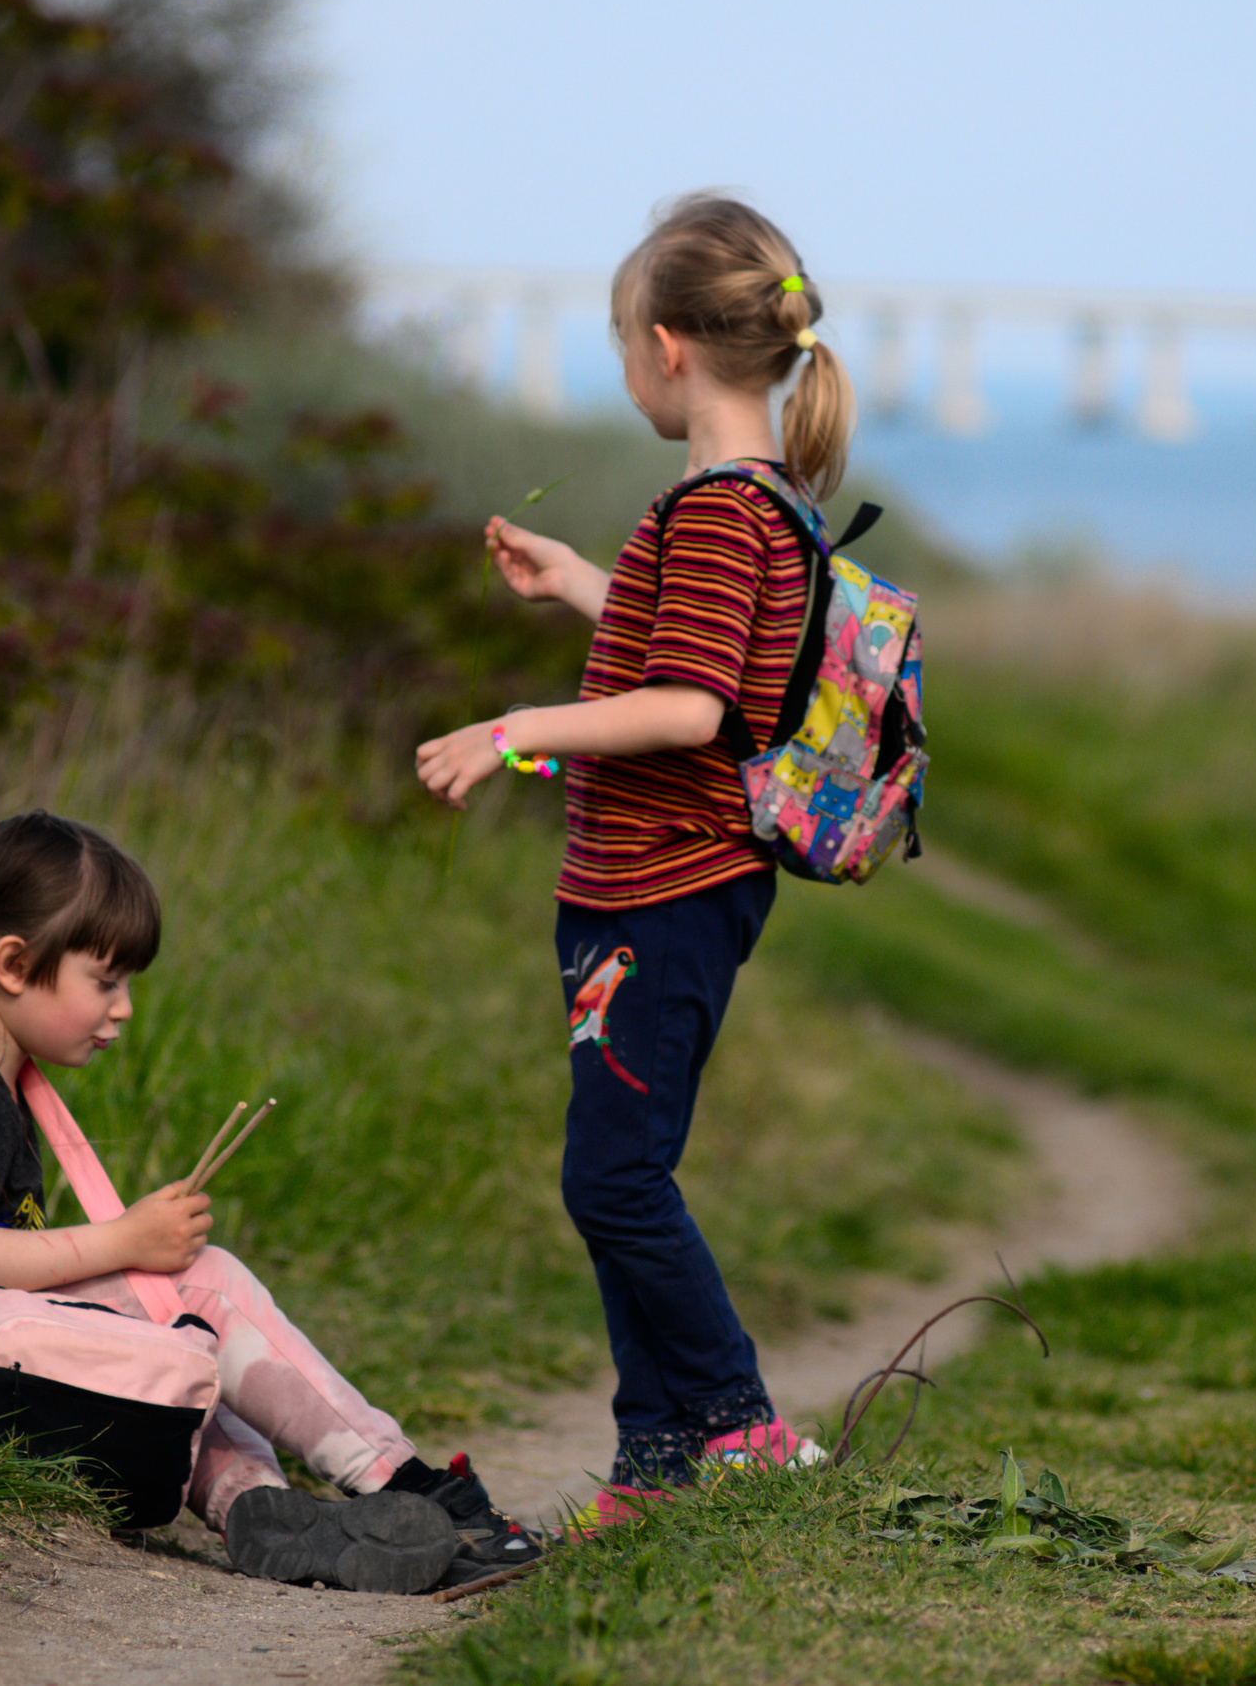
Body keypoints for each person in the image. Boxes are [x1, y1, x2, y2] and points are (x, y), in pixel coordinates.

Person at [0, 810, 541, 1593]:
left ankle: (258, 1510)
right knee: (209, 1285)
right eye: (106, 980)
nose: (124, 1007)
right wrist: (126, 1242)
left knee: (179, 1334)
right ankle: (417, 1491)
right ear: (15, 965)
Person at [415, 193, 848, 1525]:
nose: (621, 370)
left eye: (618, 345)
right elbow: (704, 655)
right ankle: (654, 1461)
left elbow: (693, 709)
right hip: (640, 888)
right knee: (618, 1175)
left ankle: (739, 1423)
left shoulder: (718, 510)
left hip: (668, 889)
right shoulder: (743, 502)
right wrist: (582, 584)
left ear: (668, 348)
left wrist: (514, 727)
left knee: (612, 1175)